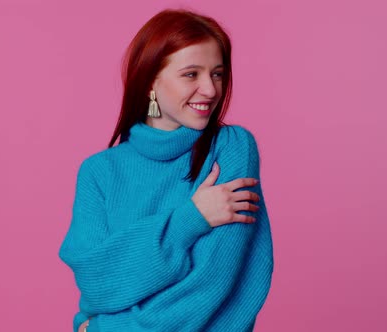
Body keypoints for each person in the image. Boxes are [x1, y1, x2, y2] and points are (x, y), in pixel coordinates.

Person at [59, 8, 274, 332]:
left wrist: (107, 329)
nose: (211, 89)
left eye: (217, 73)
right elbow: (96, 282)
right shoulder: (98, 172)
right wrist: (190, 219)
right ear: (150, 82)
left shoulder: (231, 148)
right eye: (191, 74)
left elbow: (212, 285)